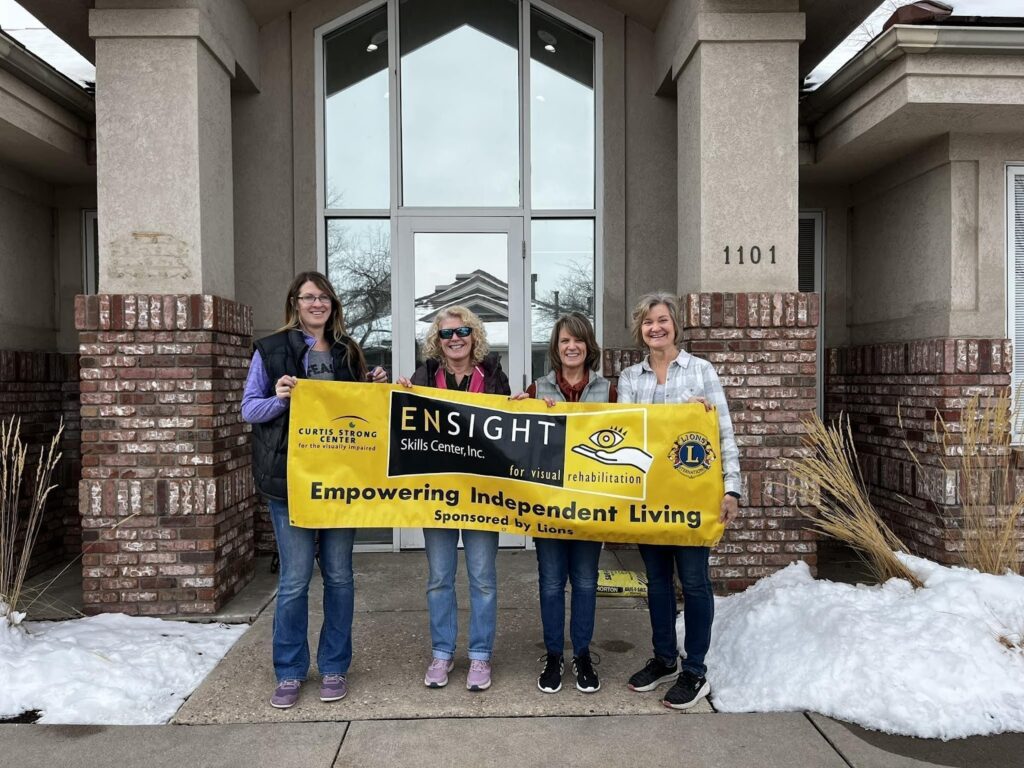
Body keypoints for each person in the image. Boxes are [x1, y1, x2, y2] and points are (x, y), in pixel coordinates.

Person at [242, 271, 387, 709]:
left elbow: (361, 413)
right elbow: (249, 409)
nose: (317, 304)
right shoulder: (270, 350)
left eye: (323, 297)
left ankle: (334, 666)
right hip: (290, 483)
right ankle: (288, 672)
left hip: (341, 484)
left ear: (332, 304)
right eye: (309, 297)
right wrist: (280, 398)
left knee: (340, 578)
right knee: (294, 580)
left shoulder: (348, 351)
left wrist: (375, 389)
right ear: (295, 303)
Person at [617, 291, 741, 710]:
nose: (656, 327)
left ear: (675, 325)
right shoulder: (631, 379)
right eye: (648, 322)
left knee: (693, 582)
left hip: (693, 499)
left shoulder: (701, 371)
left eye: (663, 320)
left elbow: (723, 432)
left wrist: (732, 488)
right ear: (641, 330)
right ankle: (665, 659)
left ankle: (696, 670)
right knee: (656, 583)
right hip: (649, 500)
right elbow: (628, 432)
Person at [397, 305, 510, 692]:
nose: (455, 338)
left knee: (482, 579)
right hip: (438, 496)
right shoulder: (424, 377)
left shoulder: (493, 376)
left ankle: (480, 656)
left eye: (462, 331)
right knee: (439, 579)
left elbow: (513, 430)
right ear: (437, 341)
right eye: (446, 334)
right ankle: (442, 652)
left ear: (474, 336)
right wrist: (399, 396)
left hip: (482, 497)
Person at [512, 312, 616, 694]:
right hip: (548, 504)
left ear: (588, 346)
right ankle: (555, 654)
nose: (571, 347)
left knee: (586, 582)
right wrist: (517, 408)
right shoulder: (538, 389)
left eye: (578, 340)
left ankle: (583, 654)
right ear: (556, 349)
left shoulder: (608, 390)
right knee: (552, 582)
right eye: (563, 341)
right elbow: (517, 436)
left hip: (590, 503)